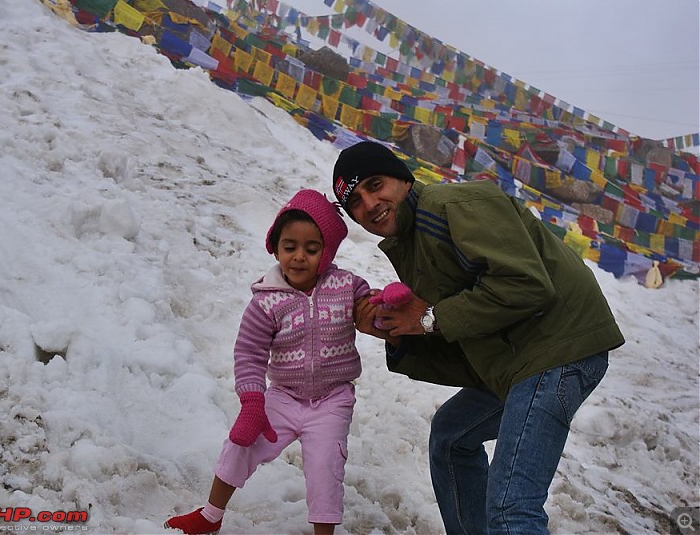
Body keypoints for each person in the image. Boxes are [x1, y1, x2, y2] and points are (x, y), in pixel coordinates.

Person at [330, 141, 625, 535]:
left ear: (402, 178)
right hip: (520, 358)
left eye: (375, 184)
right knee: (452, 439)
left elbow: (526, 284)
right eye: (356, 202)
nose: (370, 203)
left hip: (557, 346)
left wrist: (430, 319)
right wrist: (399, 337)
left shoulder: (453, 206)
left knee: (510, 508)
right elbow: (469, 341)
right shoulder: (413, 244)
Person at [165, 189, 372, 535]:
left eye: (312, 248)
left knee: (326, 469)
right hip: (284, 396)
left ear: (327, 252)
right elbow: (249, 353)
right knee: (239, 444)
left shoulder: (346, 285)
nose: (299, 257)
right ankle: (210, 516)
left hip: (332, 400)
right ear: (275, 248)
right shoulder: (266, 302)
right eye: (290, 246)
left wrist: (385, 307)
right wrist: (252, 403)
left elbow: (370, 311)